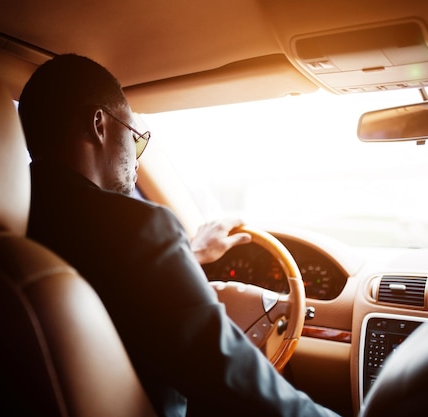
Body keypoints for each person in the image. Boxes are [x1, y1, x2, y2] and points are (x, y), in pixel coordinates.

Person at [18, 53, 340, 417]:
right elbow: (227, 375)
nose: (136, 160)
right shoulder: (139, 227)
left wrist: (188, 253)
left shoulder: (11, 220)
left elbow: (106, 273)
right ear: (99, 125)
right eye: (136, 139)